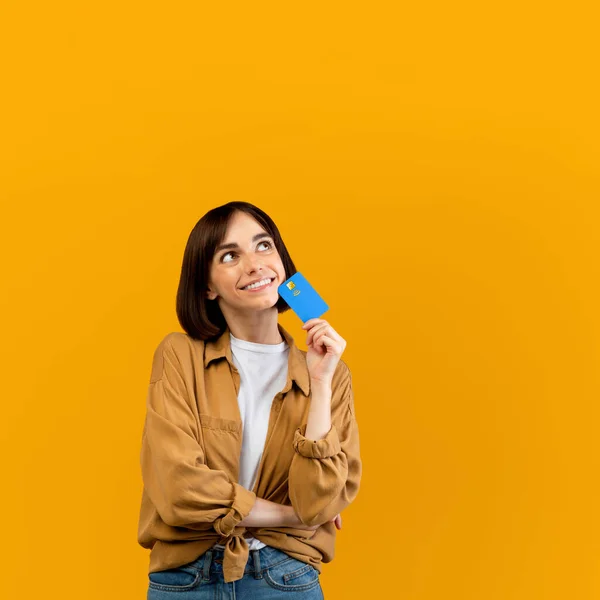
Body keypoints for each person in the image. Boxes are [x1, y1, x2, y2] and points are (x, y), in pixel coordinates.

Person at [137, 201, 362, 599]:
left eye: (264, 246)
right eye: (230, 255)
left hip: (285, 578)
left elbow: (320, 500)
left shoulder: (332, 372)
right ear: (207, 285)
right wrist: (289, 515)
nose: (255, 264)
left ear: (281, 262)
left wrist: (321, 383)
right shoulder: (179, 356)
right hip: (186, 579)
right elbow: (177, 490)